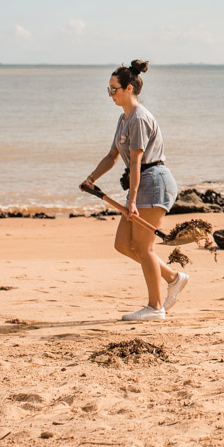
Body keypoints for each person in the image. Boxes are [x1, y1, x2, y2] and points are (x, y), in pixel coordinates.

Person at [81, 59, 188, 321]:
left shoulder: (139, 118)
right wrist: (91, 178)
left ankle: (155, 307)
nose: (110, 94)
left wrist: (131, 200)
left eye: (113, 89)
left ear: (129, 88)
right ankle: (173, 278)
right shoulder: (123, 118)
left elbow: (138, 161)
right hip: (141, 183)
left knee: (143, 247)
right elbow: (112, 156)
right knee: (123, 244)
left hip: (154, 182)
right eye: (108, 89)